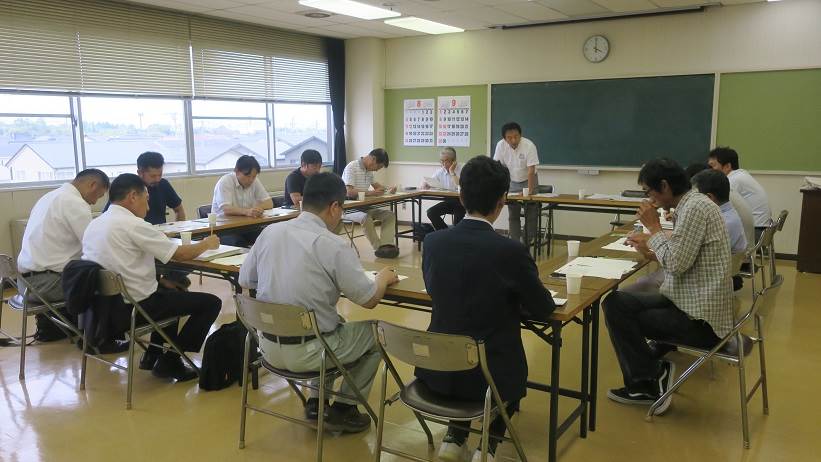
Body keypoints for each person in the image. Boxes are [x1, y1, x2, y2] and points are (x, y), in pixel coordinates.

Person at [416, 156, 556, 462]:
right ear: (502, 201)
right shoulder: (510, 251)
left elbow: (436, 290)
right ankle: (488, 447)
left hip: (438, 371)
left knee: (463, 344)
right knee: (500, 365)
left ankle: (455, 437)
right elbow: (543, 308)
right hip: (491, 378)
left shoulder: (434, 243)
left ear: (462, 196)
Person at [239, 172, 399, 433]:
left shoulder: (270, 232)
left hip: (267, 347)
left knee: (336, 324)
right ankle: (345, 408)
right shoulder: (332, 244)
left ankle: (316, 402)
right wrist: (382, 278)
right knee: (375, 334)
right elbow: (368, 299)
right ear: (335, 207)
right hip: (311, 352)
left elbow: (248, 279)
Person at [603, 159, 733, 415]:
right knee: (615, 302)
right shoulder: (691, 204)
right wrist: (650, 250)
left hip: (700, 321)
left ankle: (649, 380)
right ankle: (649, 375)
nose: (649, 199)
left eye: (649, 192)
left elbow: (675, 263)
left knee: (620, 314)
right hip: (685, 298)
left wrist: (654, 228)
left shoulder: (695, 208)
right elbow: (683, 257)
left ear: (664, 186)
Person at [82, 174, 222, 381]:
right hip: (133, 309)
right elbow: (180, 254)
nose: (148, 207)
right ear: (132, 197)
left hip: (101, 309)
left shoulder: (96, 223)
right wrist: (206, 244)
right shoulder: (134, 225)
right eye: (146, 199)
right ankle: (171, 360)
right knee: (211, 303)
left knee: (171, 290)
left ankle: (152, 355)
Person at [16, 169, 109, 340]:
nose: (95, 201)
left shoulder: (50, 196)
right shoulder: (75, 203)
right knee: (107, 282)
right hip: (45, 285)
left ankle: (57, 328)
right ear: (92, 185)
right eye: (99, 195)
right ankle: (98, 338)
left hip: (24, 283)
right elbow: (94, 245)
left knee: (86, 270)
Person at [104, 151, 191, 288]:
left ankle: (167, 281)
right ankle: (162, 284)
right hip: (138, 243)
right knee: (182, 259)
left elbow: (179, 209)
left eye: (160, 174)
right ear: (140, 172)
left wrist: (178, 230)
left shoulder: (163, 185)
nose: (157, 179)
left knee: (188, 258)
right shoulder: (126, 189)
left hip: (161, 238)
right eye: (153, 176)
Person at [341, 148, 399, 258]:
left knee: (389, 215)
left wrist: (388, 189)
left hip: (365, 207)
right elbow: (349, 191)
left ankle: (386, 244)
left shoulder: (369, 171)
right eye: (378, 167)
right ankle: (379, 249)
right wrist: (372, 193)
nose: (377, 170)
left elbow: (378, 187)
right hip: (349, 208)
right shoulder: (352, 167)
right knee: (365, 218)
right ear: (373, 159)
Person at [708, 147, 772, 239]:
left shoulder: (732, 180)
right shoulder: (740, 174)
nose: (709, 170)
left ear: (727, 166)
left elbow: (715, 206)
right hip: (761, 230)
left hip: (756, 232)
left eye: (712, 166)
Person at [492, 122, 540, 244]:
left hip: (529, 180)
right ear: (504, 138)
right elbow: (497, 167)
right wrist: (501, 189)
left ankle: (527, 241)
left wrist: (528, 192)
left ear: (520, 135)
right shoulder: (500, 146)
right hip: (512, 181)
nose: (513, 140)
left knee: (531, 212)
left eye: (516, 136)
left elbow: (531, 171)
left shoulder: (529, 145)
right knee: (513, 213)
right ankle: (515, 242)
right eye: (509, 137)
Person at [211, 155, 274, 247]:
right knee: (238, 243)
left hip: (246, 226)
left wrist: (258, 208)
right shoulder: (225, 181)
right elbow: (226, 209)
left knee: (268, 237)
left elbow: (269, 202)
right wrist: (247, 211)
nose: (251, 180)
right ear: (236, 171)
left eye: (254, 176)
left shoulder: (254, 181)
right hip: (224, 228)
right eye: (247, 176)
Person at [422, 147, 465, 230]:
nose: (443, 164)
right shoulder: (440, 171)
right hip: (448, 201)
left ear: (454, 160)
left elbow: (459, 184)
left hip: (461, 203)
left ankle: (455, 236)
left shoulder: (462, 169)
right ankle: (446, 233)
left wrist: (452, 171)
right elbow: (431, 181)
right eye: (442, 161)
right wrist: (426, 184)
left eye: (446, 161)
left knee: (457, 221)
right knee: (431, 212)